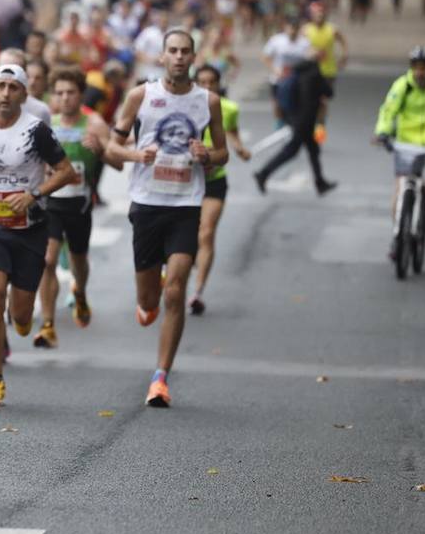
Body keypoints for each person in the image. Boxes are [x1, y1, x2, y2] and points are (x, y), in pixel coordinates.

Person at [106, 28, 227, 408]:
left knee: (176, 289)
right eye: (172, 51)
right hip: (146, 202)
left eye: (184, 51)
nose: (178, 57)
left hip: (185, 204)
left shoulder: (208, 101)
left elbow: (222, 153)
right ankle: (149, 299)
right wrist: (135, 156)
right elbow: (113, 146)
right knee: (149, 300)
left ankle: (160, 377)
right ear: (161, 57)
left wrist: (207, 155)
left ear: (193, 57)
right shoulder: (140, 96)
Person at [0, 64, 77, 406]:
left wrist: (33, 195)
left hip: (30, 230)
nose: (6, 93)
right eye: (1, 86)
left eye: (13, 87)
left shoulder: (36, 131)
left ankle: (21, 321)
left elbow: (66, 172)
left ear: (23, 94)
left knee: (21, 315)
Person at [36, 68, 114, 346]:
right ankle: (47, 325)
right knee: (48, 260)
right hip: (51, 203)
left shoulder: (94, 123)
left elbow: (117, 162)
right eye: (59, 93)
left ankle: (79, 291)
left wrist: (100, 150)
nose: (65, 98)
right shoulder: (47, 124)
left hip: (79, 204)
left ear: (81, 94)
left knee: (78, 260)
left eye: (70, 92)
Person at [189, 65, 252, 315]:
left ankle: (197, 292)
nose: (207, 87)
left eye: (211, 82)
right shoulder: (183, 106)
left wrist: (239, 148)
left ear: (218, 84)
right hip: (185, 181)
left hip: (215, 180)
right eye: (202, 82)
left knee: (206, 233)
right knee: (185, 234)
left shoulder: (229, 108)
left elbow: (231, 132)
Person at [373, 46, 425, 221]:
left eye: (424, 69)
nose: (420, 73)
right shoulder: (402, 85)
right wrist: (383, 132)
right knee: (399, 194)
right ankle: (398, 233)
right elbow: (387, 111)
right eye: (416, 68)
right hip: (406, 143)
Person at [254, 58, 336, 197]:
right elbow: (329, 93)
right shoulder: (315, 76)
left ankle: (320, 182)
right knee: (292, 151)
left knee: (312, 151)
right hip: (306, 122)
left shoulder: (296, 76)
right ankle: (263, 174)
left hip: (295, 119)